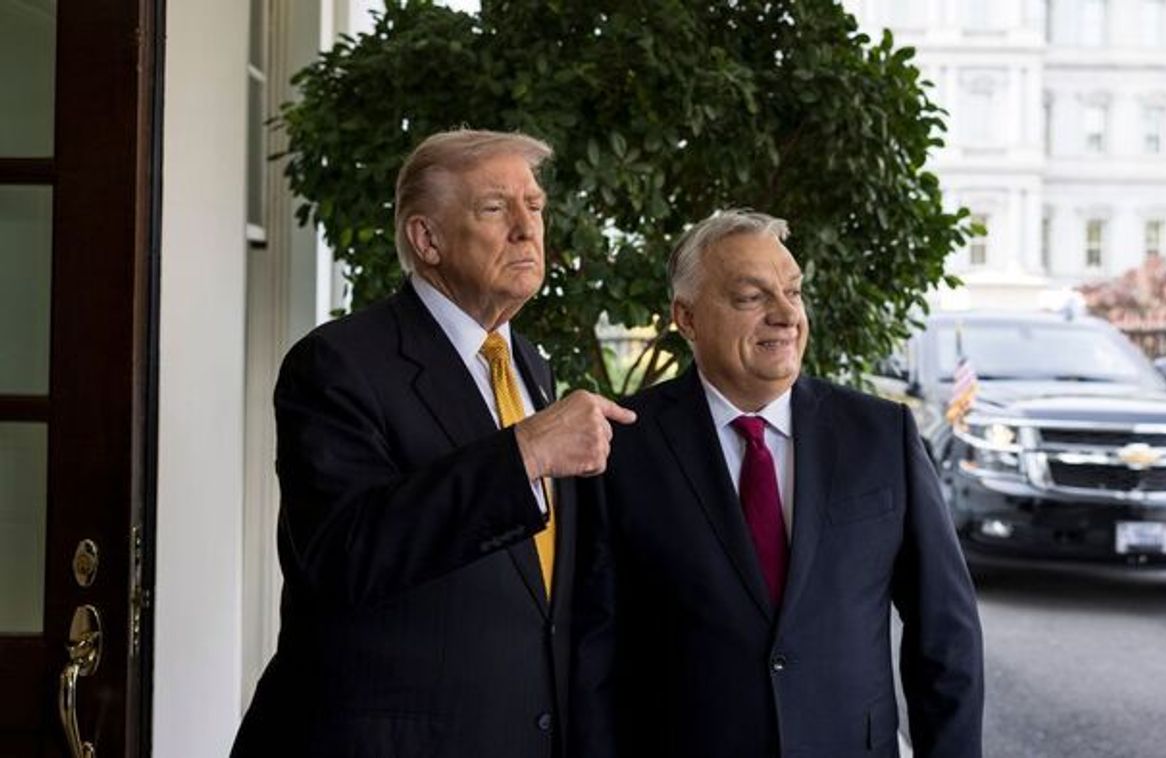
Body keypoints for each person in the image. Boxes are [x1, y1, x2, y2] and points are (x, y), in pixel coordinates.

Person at [232, 130, 635, 758]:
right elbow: (343, 554)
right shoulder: (337, 362)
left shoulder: (527, 362)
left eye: (535, 206)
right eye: (497, 209)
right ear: (427, 240)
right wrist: (524, 452)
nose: (529, 229)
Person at [571, 210, 984, 758]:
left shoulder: (881, 436)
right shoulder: (621, 447)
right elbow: (593, 652)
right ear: (687, 317)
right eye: (751, 297)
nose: (786, 314)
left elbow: (946, 634)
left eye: (793, 291)